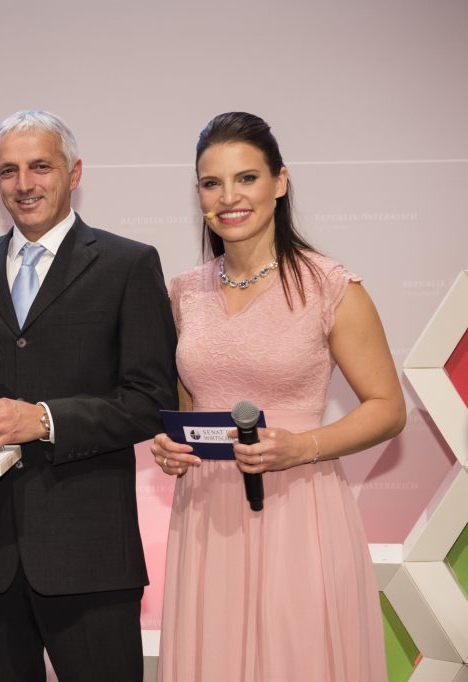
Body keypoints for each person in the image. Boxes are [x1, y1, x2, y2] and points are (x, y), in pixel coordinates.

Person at [151, 112, 406, 681]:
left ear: (280, 182)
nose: (229, 197)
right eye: (212, 183)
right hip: (206, 516)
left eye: (246, 178)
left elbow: (389, 409)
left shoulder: (330, 286)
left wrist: (301, 447)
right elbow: (187, 406)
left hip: (300, 508)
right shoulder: (183, 293)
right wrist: (170, 447)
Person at [0, 110, 178, 681]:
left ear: (74, 173)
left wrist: (41, 420)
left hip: (89, 557)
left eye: (40, 167)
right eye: (8, 170)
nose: (24, 184)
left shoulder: (127, 264)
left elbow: (150, 400)